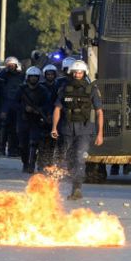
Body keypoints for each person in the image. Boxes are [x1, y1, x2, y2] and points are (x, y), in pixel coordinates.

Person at [51, 60, 104, 200]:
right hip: (66, 129)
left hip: (84, 130)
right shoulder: (63, 88)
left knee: (80, 159)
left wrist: (100, 134)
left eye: (80, 72)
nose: (77, 74)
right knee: (64, 157)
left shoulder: (91, 89)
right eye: (75, 72)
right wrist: (54, 127)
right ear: (71, 73)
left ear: (84, 73)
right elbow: (57, 109)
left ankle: (77, 188)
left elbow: (99, 112)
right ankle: (55, 187)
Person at [16, 67, 51, 173]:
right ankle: (25, 163)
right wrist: (24, 108)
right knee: (22, 145)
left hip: (36, 120)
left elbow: (47, 104)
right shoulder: (22, 89)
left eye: (36, 77)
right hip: (23, 119)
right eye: (32, 77)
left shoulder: (43, 90)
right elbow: (14, 104)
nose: (33, 79)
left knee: (33, 142)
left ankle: (31, 164)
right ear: (28, 77)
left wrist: (40, 111)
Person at [0, 56, 25, 157]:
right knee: (4, 127)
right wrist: (2, 109)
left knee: (15, 129)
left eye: (12, 65)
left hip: (17, 105)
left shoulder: (22, 75)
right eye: (8, 65)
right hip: (5, 104)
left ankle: (13, 150)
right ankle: (1, 148)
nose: (10, 67)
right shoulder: (3, 75)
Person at [38, 64, 59, 169]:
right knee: (42, 143)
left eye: (52, 74)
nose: (50, 76)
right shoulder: (40, 87)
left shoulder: (58, 86)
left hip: (55, 116)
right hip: (42, 116)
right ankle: (41, 164)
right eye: (48, 74)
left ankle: (50, 164)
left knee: (53, 144)